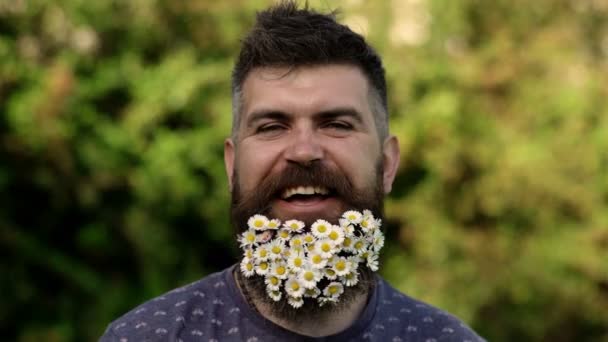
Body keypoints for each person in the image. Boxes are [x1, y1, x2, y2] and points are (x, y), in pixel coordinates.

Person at [100, 1, 485, 341]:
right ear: (232, 166)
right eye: (271, 126)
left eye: (336, 124)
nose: (304, 151)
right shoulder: (148, 336)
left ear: (387, 164)